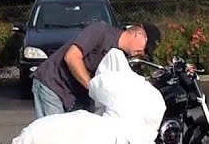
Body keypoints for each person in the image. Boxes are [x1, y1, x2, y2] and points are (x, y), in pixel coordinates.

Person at [31, 22, 160, 119]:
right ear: (138, 34)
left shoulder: (122, 57)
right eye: (145, 48)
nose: (143, 53)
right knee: (53, 138)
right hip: (52, 84)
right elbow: (71, 57)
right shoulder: (99, 32)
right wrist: (93, 87)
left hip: (76, 95)